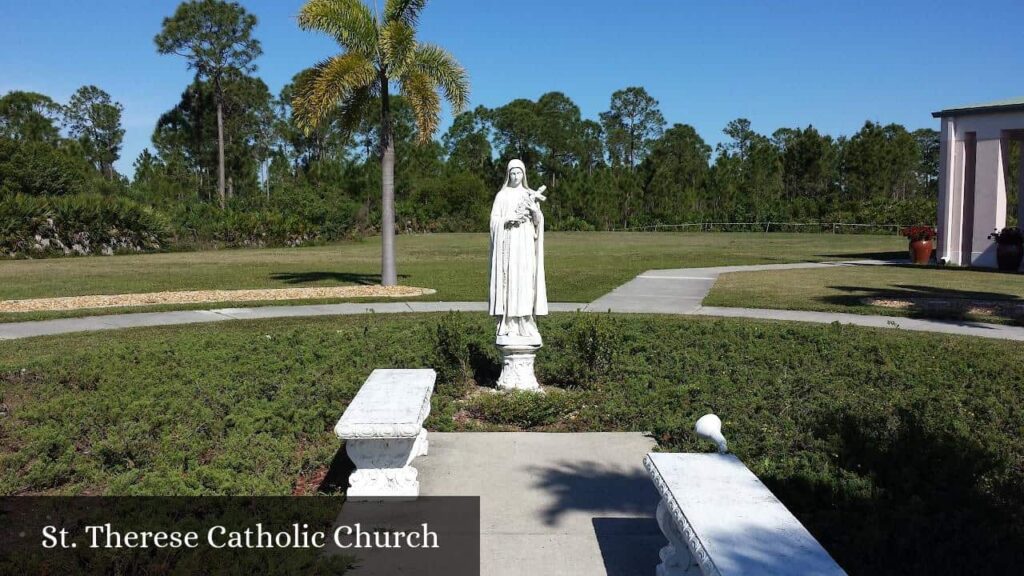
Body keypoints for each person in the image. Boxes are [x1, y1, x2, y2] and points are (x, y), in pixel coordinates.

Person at [488, 159, 548, 343]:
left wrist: (535, 212)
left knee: (525, 281)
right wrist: (508, 218)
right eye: (512, 173)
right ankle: (510, 324)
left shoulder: (529, 194)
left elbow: (538, 222)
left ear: (524, 174)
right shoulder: (502, 195)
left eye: (519, 173)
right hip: (509, 245)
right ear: (508, 175)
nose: (515, 176)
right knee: (510, 281)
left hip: (526, 245)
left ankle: (525, 322)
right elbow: (493, 221)